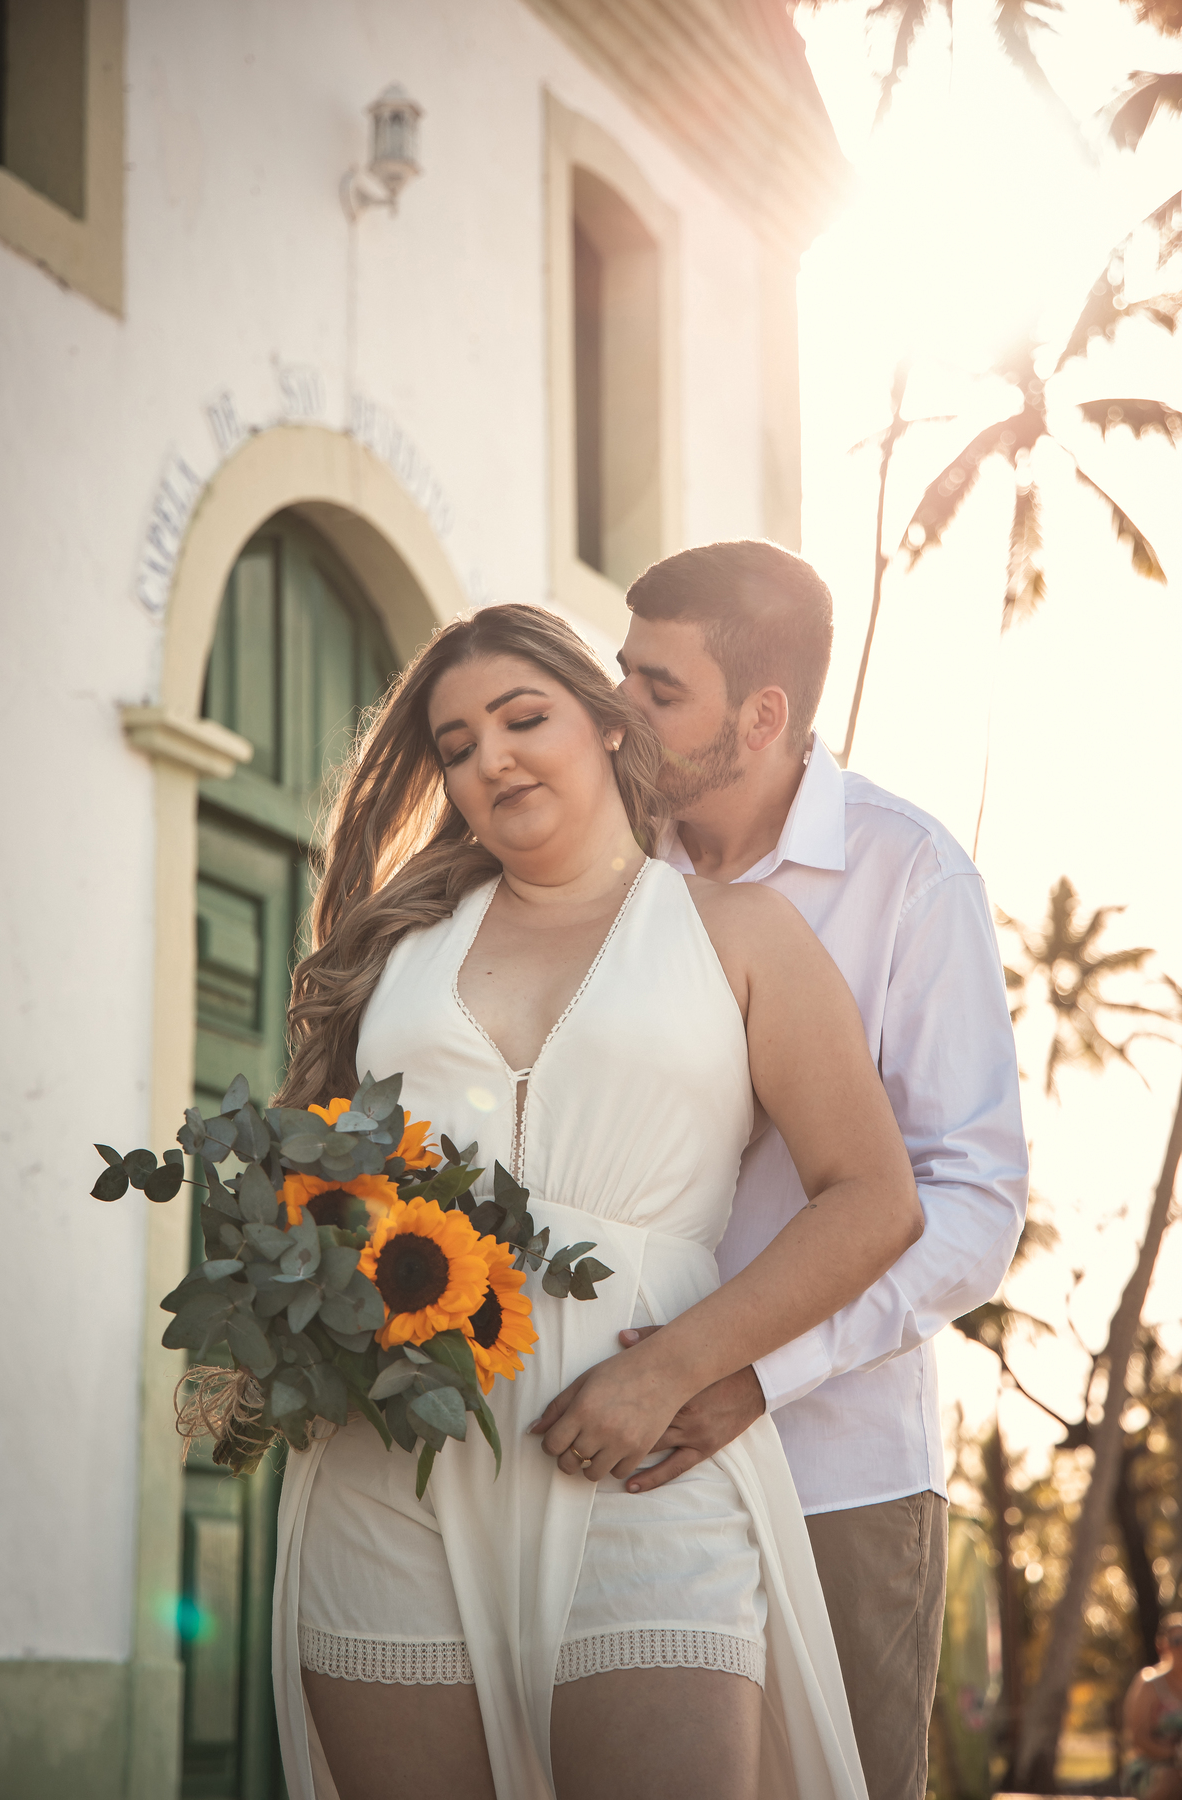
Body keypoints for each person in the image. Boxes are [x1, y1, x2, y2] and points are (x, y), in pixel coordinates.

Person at [268, 603, 923, 1800]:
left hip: (640, 1459)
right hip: (391, 1459)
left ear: (610, 725)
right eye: (458, 746)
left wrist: (673, 1369)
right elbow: (318, 1183)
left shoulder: (740, 932)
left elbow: (875, 1198)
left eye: (524, 718)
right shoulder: (396, 950)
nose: (492, 758)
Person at [611, 540, 1029, 1800]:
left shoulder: (911, 877)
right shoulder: (605, 872)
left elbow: (973, 1204)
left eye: (658, 689)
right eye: (620, 673)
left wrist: (757, 1371)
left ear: (763, 717)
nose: (618, 711)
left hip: (837, 1479)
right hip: (615, 1457)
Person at [1123, 1615, 1182, 1800]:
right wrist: (1175, 1754)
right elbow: (1138, 1738)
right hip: (1154, 1767)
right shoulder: (1150, 1683)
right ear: (1162, 1646)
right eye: (1177, 1641)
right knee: (1172, 1780)